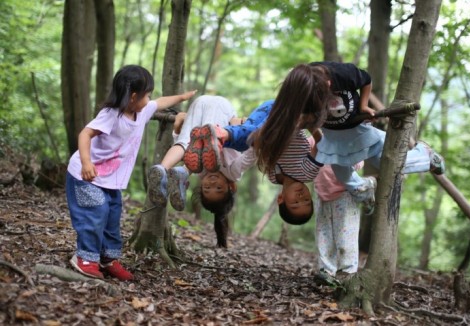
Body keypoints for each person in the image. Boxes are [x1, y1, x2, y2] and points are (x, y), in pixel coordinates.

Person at [252, 62, 445, 208]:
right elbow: (306, 123)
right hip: (334, 136)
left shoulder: (342, 75)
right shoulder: (302, 90)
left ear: (328, 85)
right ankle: (362, 189)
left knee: (389, 164)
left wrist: (363, 106)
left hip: (359, 130)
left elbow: (366, 78)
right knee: (341, 170)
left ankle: (424, 156)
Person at [65, 65, 196, 280]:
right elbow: (85, 133)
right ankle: (85, 257)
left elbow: (160, 103)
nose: (149, 99)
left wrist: (182, 96)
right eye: (147, 95)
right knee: (94, 214)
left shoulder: (141, 110)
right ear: (133, 96)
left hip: (110, 180)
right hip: (86, 175)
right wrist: (87, 162)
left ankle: (108, 259)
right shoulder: (111, 115)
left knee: (112, 217)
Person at [183, 99, 324, 225]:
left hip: (268, 114)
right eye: (306, 200)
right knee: (247, 138)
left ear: (281, 199)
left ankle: (216, 137)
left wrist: (256, 142)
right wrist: (309, 124)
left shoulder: (273, 176)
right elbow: (320, 144)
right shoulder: (307, 174)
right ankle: (218, 135)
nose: (301, 197)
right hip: (290, 117)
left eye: (295, 203)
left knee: (247, 138)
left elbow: (259, 150)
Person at [147, 95, 255, 247]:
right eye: (218, 188)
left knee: (185, 143)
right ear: (231, 186)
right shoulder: (234, 172)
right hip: (221, 109)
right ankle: (187, 168)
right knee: (207, 138)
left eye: (207, 188)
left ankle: (162, 169)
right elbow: (251, 155)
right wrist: (247, 128)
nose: (212, 182)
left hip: (198, 104)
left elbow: (184, 143)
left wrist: (178, 125)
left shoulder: (200, 170)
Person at [313, 163, 364, 286]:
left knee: (347, 238)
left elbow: (357, 161)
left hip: (345, 194)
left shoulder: (346, 144)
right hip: (322, 196)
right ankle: (327, 272)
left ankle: (347, 273)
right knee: (323, 236)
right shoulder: (317, 145)